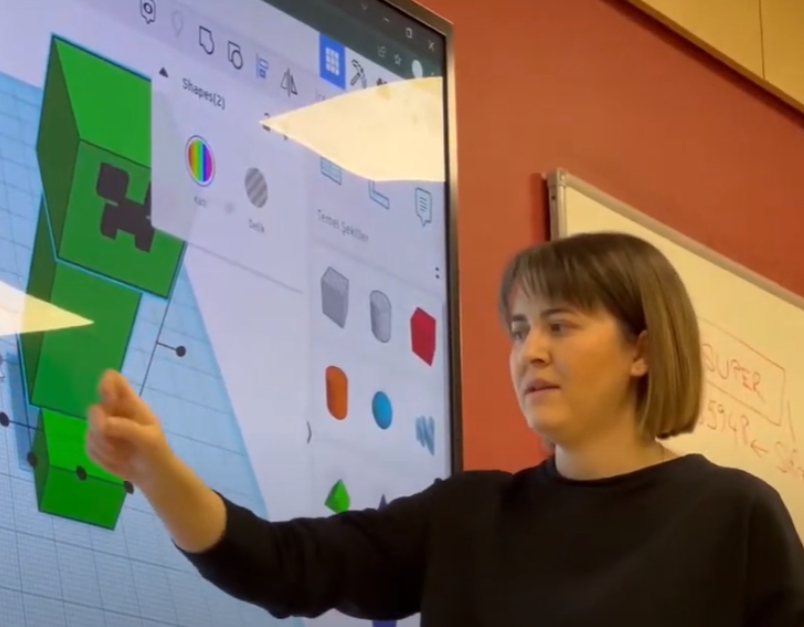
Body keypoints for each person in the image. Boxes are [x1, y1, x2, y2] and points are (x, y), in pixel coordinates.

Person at [85, 232, 804, 626]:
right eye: (519, 329)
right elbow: (285, 564)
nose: (529, 351)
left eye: (559, 325)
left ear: (641, 350)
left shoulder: (734, 516)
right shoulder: (466, 514)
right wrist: (157, 473)